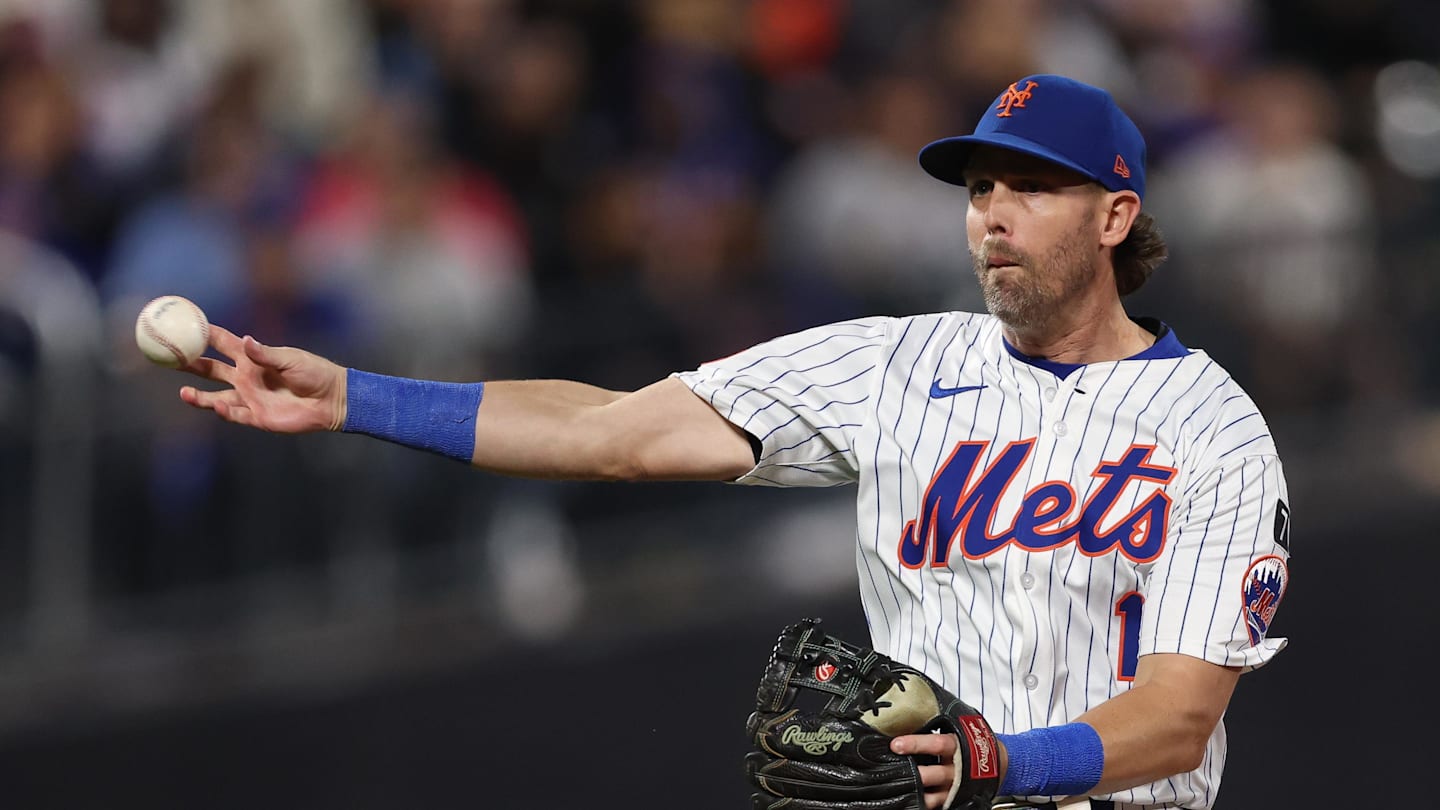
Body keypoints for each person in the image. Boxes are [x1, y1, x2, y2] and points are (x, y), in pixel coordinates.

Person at [175, 75, 1290, 810]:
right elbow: (615, 431)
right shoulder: (900, 362)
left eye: (1032, 188)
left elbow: (1178, 719)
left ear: (1112, 217)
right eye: (980, 186)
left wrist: (1001, 760)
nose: (990, 212)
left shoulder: (1214, 429)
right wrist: (352, 400)